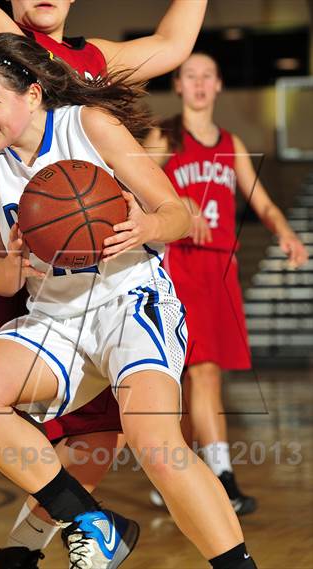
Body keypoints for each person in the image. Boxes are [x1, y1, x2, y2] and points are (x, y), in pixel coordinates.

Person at [0, 1, 208, 566]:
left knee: (103, 427)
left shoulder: (95, 58)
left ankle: (22, 552)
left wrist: (153, 221)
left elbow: (175, 41)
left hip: (87, 265)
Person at [0, 32, 256, 569]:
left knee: (155, 442)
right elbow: (1, 281)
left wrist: (146, 224)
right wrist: (16, 257)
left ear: (33, 95)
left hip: (129, 297)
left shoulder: (88, 125)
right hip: (55, 316)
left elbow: (179, 214)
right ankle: (92, 521)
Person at [144, 52, 309, 514]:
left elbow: (261, 200)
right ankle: (222, 478)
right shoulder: (165, 135)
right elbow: (134, 183)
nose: (198, 84)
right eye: (190, 75)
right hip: (180, 266)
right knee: (202, 373)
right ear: (178, 84)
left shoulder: (232, 143)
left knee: (201, 381)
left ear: (218, 85)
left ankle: (173, 476)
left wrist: (286, 232)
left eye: (207, 76)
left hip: (221, 270)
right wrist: (177, 201)